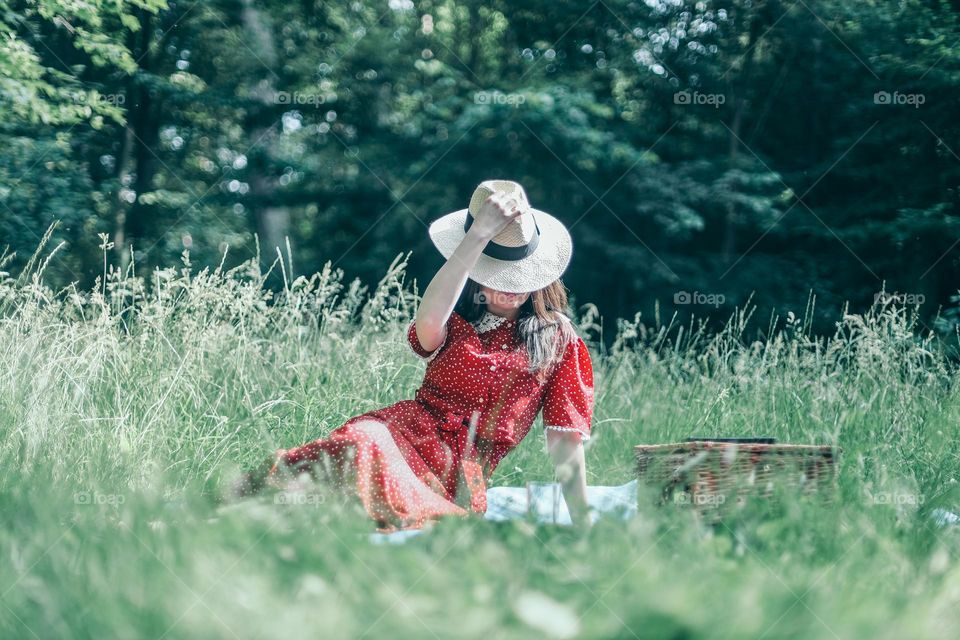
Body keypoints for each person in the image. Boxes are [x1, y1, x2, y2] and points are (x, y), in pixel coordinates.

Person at [232, 179, 595, 532]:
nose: (510, 287)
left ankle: (278, 513)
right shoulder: (454, 314)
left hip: (455, 472)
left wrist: (583, 522)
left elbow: (565, 441)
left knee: (364, 473)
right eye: (495, 273)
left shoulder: (557, 339)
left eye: (516, 273)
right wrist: (477, 236)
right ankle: (252, 507)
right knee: (356, 446)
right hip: (400, 430)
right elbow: (427, 326)